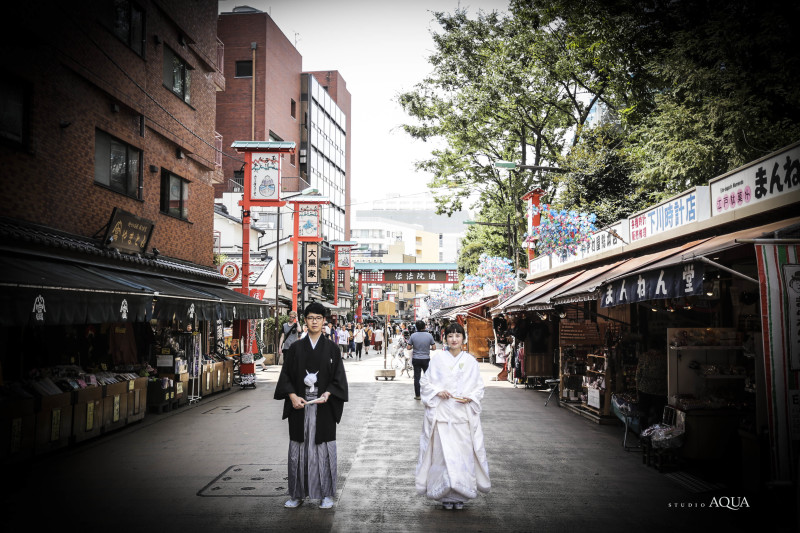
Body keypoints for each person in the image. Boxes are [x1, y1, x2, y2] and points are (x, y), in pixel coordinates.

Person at [274, 302, 349, 509]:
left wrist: (329, 393)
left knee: (323, 449)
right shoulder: (296, 348)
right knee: (298, 449)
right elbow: (286, 376)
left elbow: (339, 379)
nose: (314, 321)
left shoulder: (332, 348)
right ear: (304, 321)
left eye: (318, 318)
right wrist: (292, 396)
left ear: (324, 320)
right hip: (300, 405)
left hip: (323, 406)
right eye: (310, 318)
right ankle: (297, 494)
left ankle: (326, 494)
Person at [416, 322, 489, 510]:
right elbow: (425, 382)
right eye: (450, 336)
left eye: (457, 336)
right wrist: (438, 391)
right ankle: (444, 495)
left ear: (463, 339)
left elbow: (479, 387)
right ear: (445, 339)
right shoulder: (438, 360)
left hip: (462, 418)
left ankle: (461, 495)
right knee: (443, 458)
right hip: (442, 417)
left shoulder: (471, 361)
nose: (454, 339)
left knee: (462, 457)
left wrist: (471, 397)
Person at [407, 320, 436, 400]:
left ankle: (418, 395)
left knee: (417, 378)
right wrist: (428, 348)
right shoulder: (429, 335)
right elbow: (434, 348)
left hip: (416, 359)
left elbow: (408, 347)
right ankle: (428, 394)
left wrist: (414, 347)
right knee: (427, 377)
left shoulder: (413, 336)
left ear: (416, 327)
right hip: (426, 359)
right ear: (424, 327)